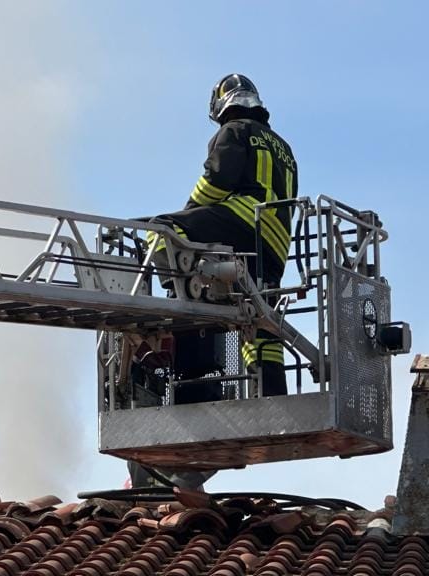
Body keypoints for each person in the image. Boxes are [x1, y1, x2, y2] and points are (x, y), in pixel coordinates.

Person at [128, 73, 298, 490]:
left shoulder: (232, 131)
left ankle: (176, 291)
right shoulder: (284, 147)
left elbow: (218, 180)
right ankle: (272, 396)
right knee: (258, 321)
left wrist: (186, 215)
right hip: (275, 241)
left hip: (242, 221)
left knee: (162, 228)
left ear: (219, 105)